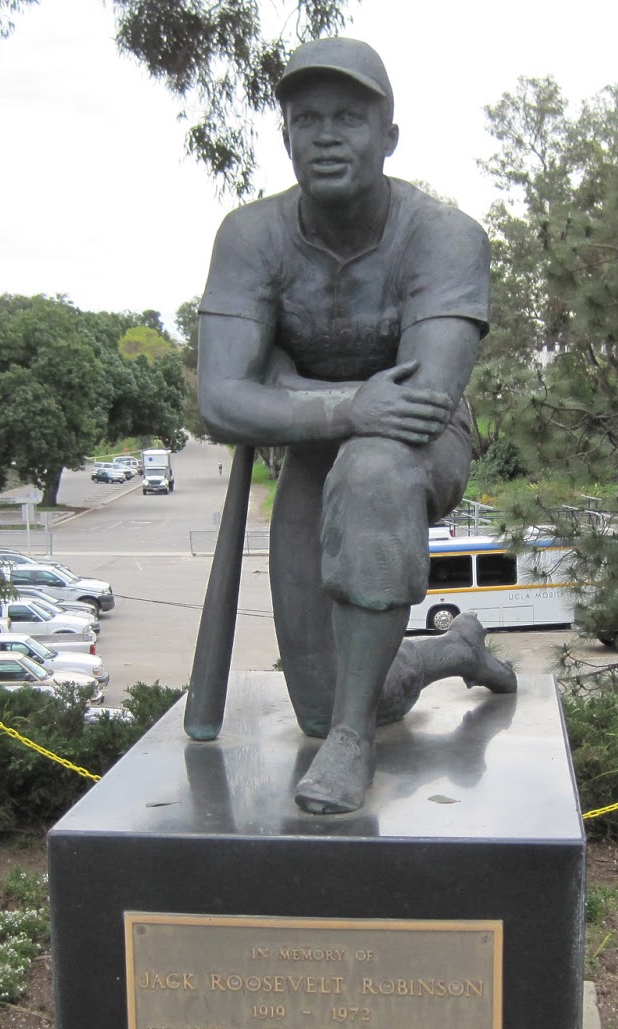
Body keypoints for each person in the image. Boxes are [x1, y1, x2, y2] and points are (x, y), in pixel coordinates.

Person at [197, 36, 516, 815]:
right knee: (318, 694)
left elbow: (420, 400)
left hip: (417, 442)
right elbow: (219, 398)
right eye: (307, 120)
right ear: (286, 139)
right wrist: (336, 406)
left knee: (374, 468)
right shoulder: (251, 237)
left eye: (348, 117)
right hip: (317, 441)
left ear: (389, 137)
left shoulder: (442, 235)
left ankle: (350, 742)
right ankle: (449, 651)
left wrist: (290, 390)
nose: (327, 135)